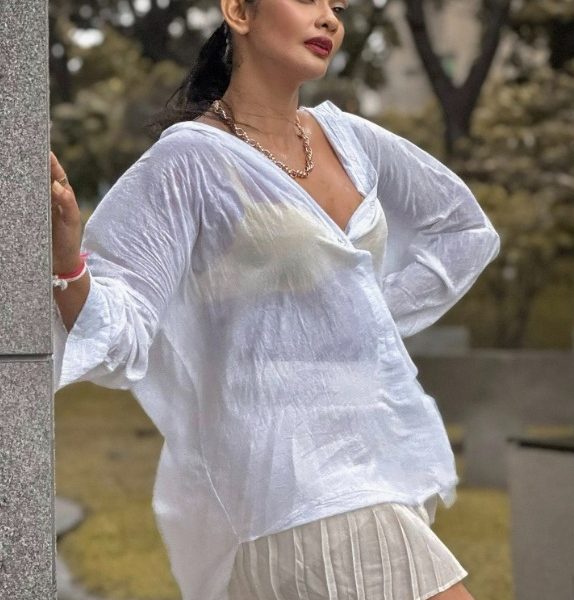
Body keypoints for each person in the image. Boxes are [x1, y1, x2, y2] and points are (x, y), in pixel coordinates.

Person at [50, 0, 500, 598]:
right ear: (239, 10)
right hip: (290, 479)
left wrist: (365, 314)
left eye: (337, 6)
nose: (330, 18)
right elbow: (120, 329)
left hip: (376, 459)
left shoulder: (350, 139)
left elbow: (464, 230)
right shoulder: (190, 161)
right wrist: (68, 262)